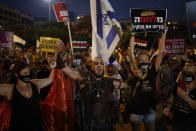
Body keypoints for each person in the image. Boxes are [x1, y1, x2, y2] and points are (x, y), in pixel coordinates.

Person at [56, 49, 122, 131]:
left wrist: (136, 77)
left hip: (105, 124)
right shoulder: (83, 76)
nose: (99, 65)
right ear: (91, 66)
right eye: (96, 63)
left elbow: (125, 85)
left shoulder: (109, 81)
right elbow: (65, 69)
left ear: (104, 66)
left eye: (101, 63)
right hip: (87, 124)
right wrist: (58, 52)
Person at [126, 27, 167, 131]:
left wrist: (164, 33)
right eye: (141, 59)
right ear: (138, 62)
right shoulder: (136, 70)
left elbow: (161, 52)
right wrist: (132, 33)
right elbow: (130, 52)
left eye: (146, 59)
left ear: (149, 61)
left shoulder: (153, 71)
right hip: (136, 109)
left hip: (150, 109)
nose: (144, 61)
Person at [0, 61, 54, 131]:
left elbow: (50, 79)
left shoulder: (35, 84)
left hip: (36, 126)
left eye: (29, 72)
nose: (28, 75)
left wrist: (55, 66)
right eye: (25, 73)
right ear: (16, 74)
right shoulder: (10, 89)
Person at [171, 63, 196, 131]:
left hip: (191, 125)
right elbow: (172, 96)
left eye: (190, 72)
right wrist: (168, 106)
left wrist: (186, 97)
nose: (188, 74)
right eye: (186, 72)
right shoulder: (179, 84)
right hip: (177, 122)